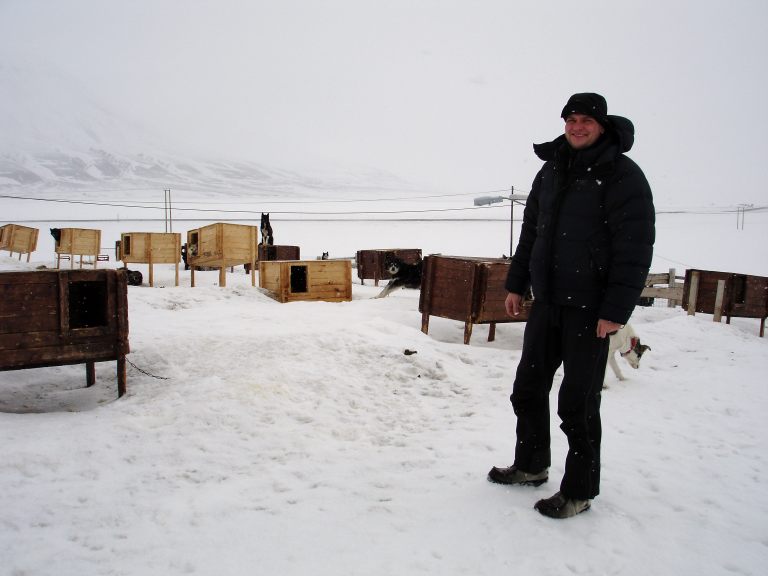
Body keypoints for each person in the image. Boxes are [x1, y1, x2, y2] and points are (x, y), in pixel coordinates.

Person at [488, 93, 655, 518]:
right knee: (527, 389)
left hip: (590, 309)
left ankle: (579, 491)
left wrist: (615, 310)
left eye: (586, 120)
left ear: (602, 125)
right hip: (547, 303)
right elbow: (531, 233)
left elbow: (633, 249)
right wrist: (516, 282)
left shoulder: (623, 176)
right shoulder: (551, 170)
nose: (577, 127)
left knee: (577, 403)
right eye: (571, 119)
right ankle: (530, 465)